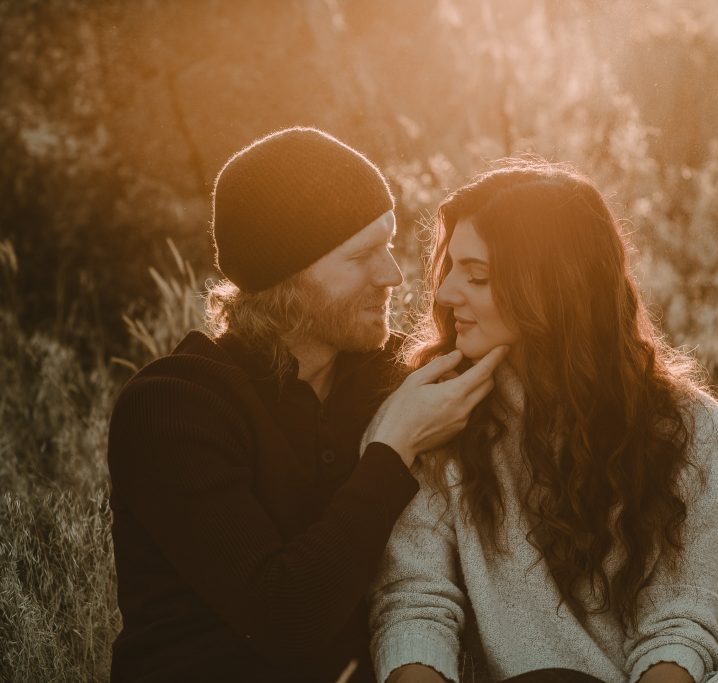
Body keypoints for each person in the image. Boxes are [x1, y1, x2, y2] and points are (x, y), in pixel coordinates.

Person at [107, 127, 508, 682]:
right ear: (285, 277)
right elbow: (283, 619)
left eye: (388, 245)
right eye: (361, 256)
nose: (392, 275)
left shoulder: (399, 376)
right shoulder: (172, 408)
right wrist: (393, 448)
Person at [369, 160, 718, 683]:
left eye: (477, 276)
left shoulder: (689, 428)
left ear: (551, 288)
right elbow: (414, 606)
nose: (447, 294)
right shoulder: (432, 419)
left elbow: (679, 623)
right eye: (449, 268)